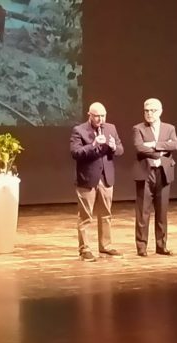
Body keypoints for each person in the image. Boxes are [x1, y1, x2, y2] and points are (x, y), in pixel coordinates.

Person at [70, 102, 124, 261]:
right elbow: (75, 153)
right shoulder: (79, 130)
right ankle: (85, 249)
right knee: (85, 216)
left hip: (106, 178)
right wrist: (93, 145)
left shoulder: (111, 128)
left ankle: (105, 246)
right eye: (97, 116)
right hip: (87, 178)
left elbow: (121, 149)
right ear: (89, 115)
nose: (101, 119)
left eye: (103, 115)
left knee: (106, 214)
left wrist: (114, 147)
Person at [133, 98, 177, 256]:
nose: (149, 113)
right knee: (143, 212)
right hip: (146, 174)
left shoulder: (169, 128)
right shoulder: (138, 128)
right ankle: (141, 247)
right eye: (146, 110)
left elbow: (175, 145)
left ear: (160, 111)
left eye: (152, 110)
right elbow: (139, 148)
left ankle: (161, 245)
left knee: (162, 212)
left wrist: (153, 144)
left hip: (163, 173)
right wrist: (161, 149)